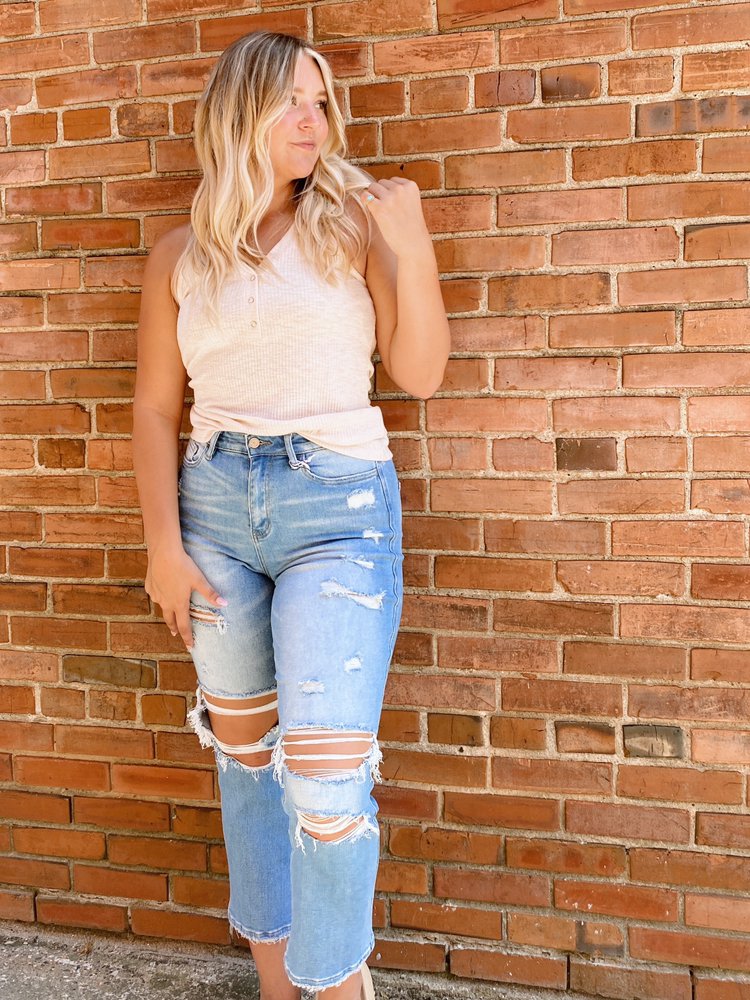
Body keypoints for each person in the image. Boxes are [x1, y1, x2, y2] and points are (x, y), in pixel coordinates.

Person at [132, 29, 450, 1000]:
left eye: (321, 102)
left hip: (337, 512)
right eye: (290, 102)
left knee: (324, 779)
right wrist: (161, 547)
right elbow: (153, 407)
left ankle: (337, 989)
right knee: (245, 764)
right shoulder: (181, 255)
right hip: (214, 515)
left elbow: (420, 372)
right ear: (240, 114)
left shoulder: (351, 228)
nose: (313, 121)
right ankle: (277, 986)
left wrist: (413, 248)